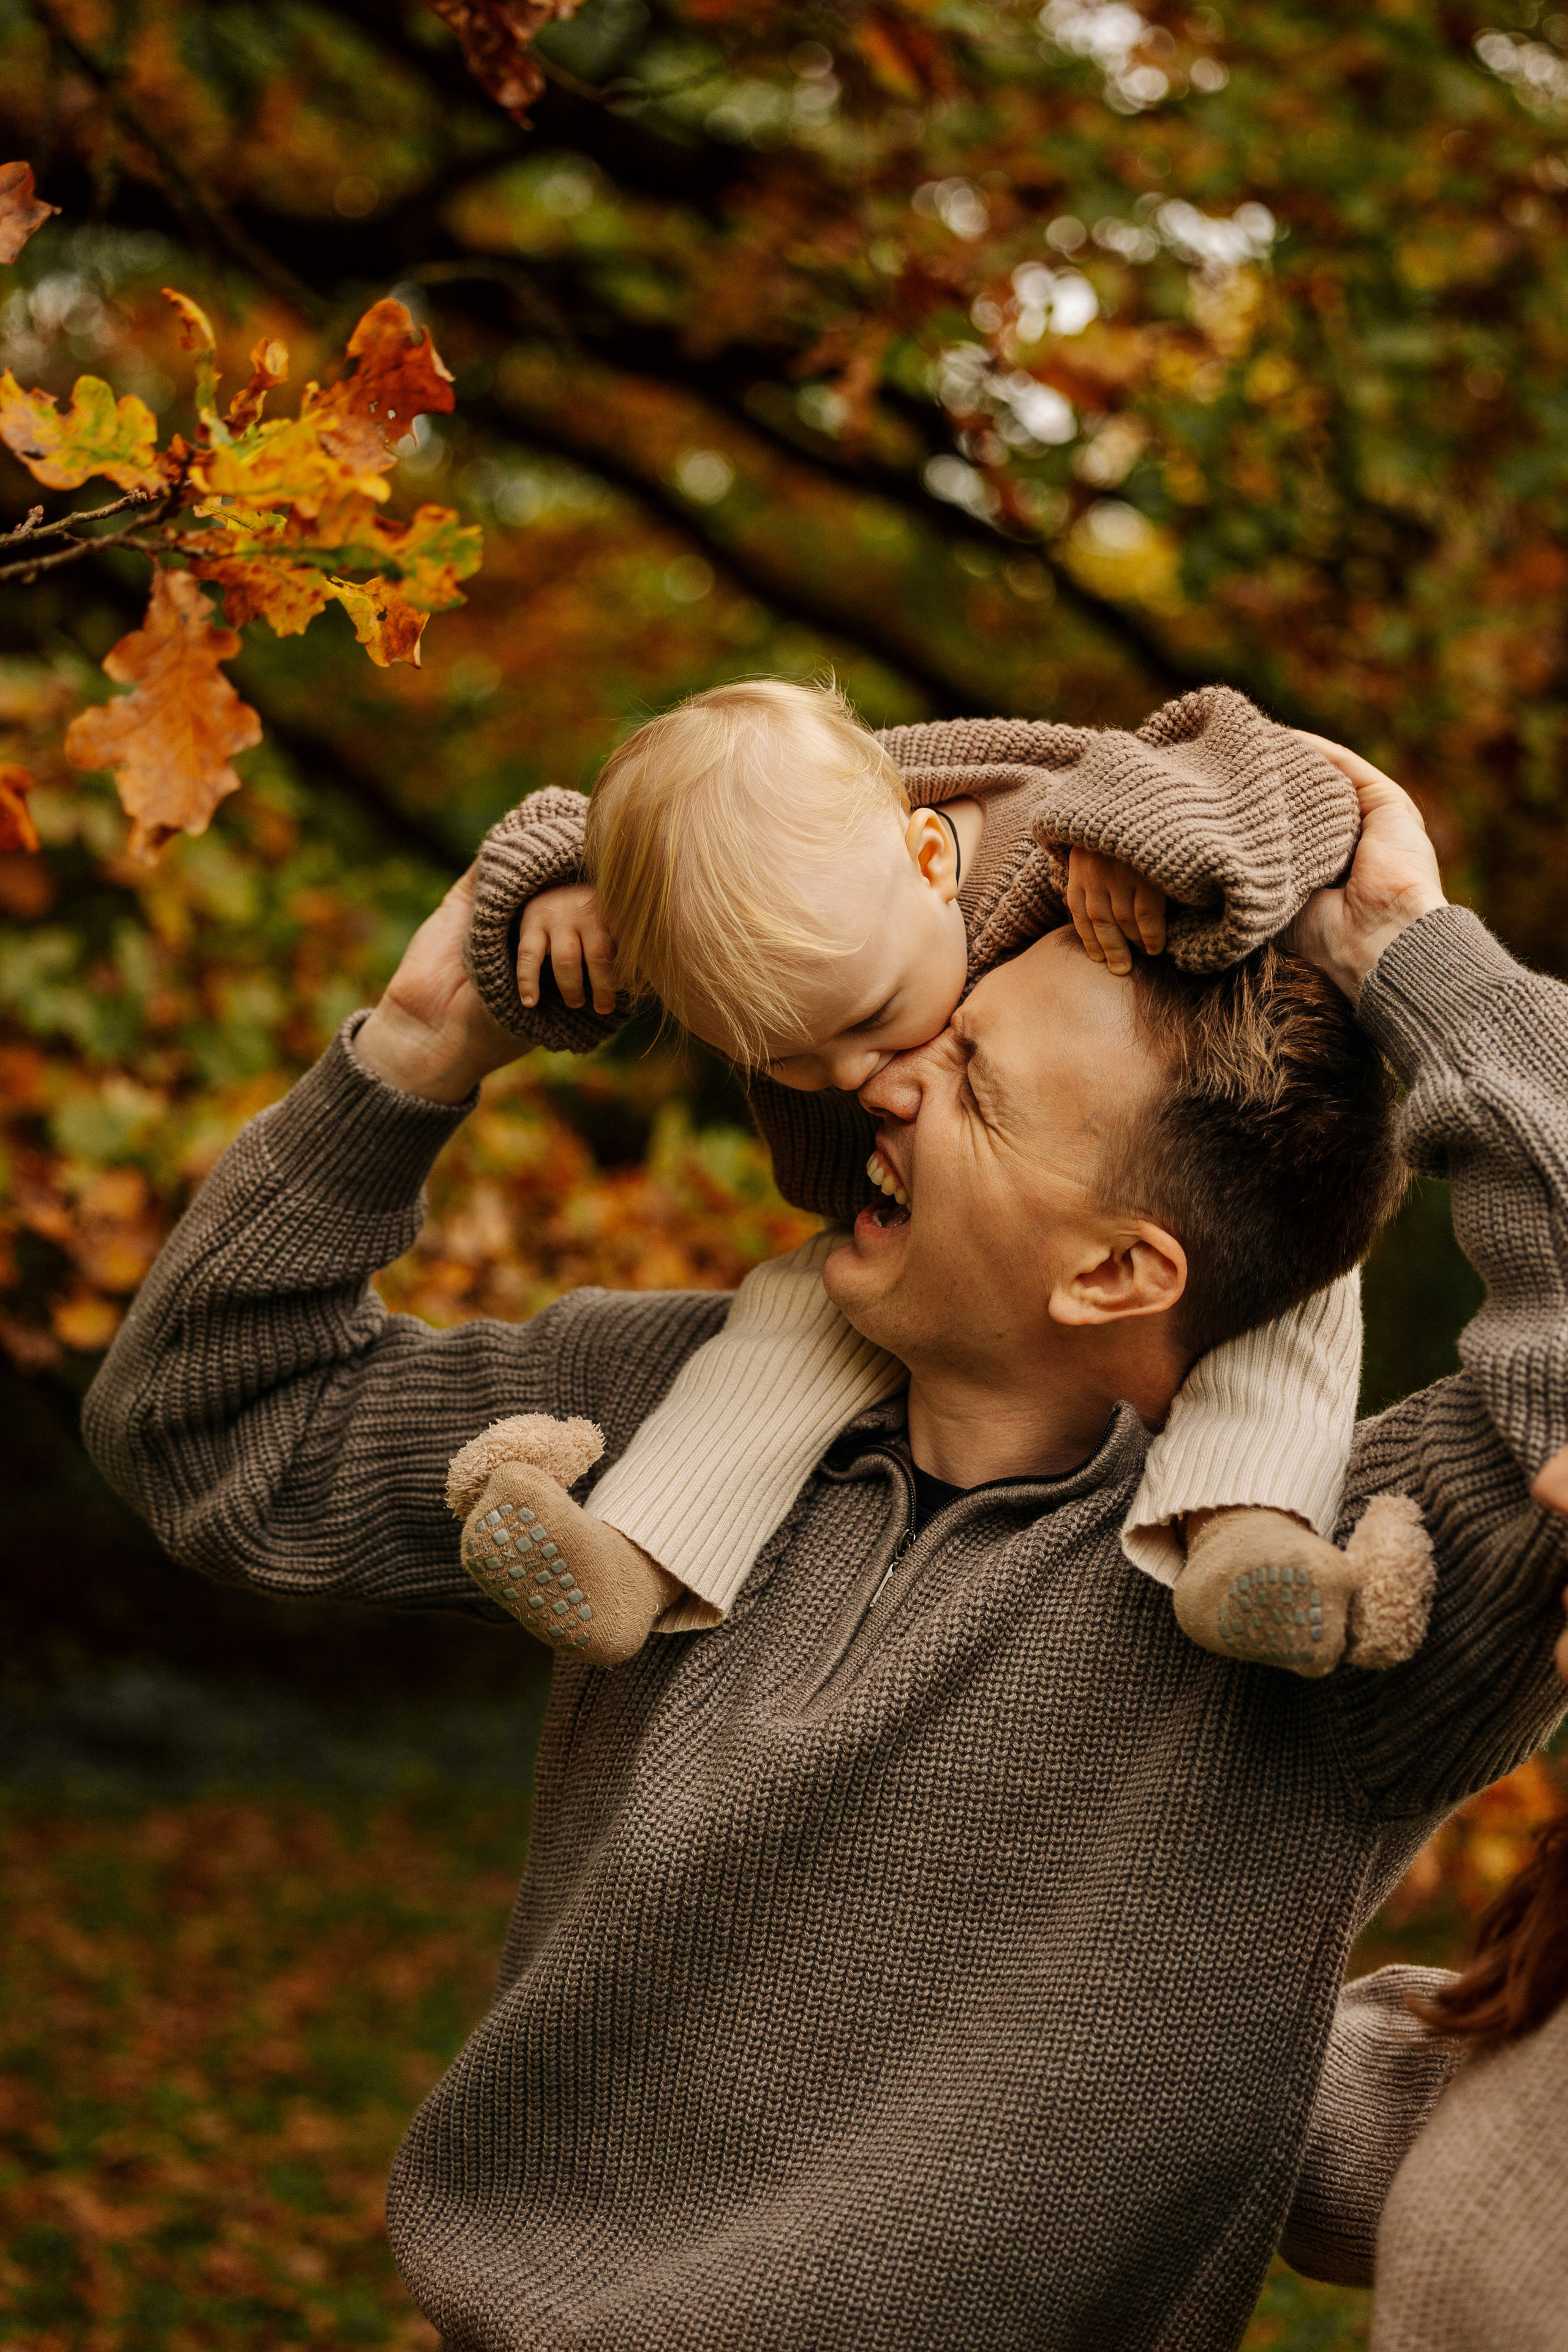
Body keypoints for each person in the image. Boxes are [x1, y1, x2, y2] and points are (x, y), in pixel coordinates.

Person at [81, 742, 1568, 2350]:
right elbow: (211, 1428)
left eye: (972, 1079)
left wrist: (1411, 951)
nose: (884, 1080)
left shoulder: (1334, 1588)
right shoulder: (664, 1422)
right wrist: (417, 1051)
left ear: (1115, 1273)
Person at [453, 678, 1429, 1679]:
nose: (855, 1078)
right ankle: (635, 1552)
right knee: (780, 1325)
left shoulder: (1047, 826)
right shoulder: (755, 885)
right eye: (783, 1060)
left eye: (871, 1020)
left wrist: (1151, 837)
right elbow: (603, 834)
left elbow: (1280, 777)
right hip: (893, 1223)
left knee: (1295, 1294)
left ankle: (1251, 1528)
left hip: (1207, 1180)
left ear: (930, 861)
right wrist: (562, 892)